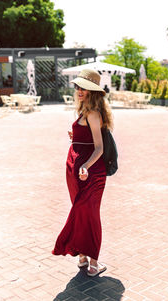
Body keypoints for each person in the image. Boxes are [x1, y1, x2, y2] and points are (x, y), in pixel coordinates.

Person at [52, 69, 113, 277]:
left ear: (92, 91)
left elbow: (99, 148)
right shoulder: (83, 111)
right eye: (78, 86)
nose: (79, 90)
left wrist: (85, 165)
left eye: (84, 88)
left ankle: (93, 263)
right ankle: (82, 256)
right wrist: (75, 136)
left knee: (91, 215)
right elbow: (85, 140)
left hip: (90, 172)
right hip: (76, 173)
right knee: (80, 212)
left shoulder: (94, 113)